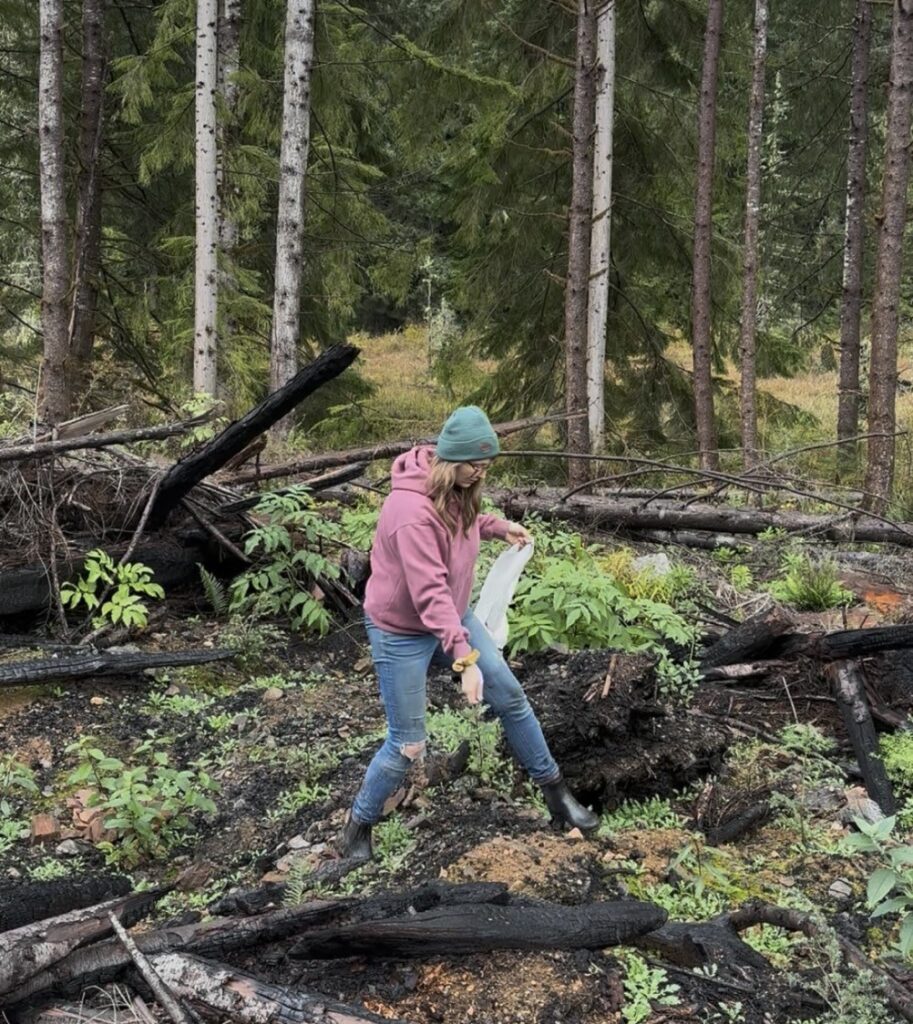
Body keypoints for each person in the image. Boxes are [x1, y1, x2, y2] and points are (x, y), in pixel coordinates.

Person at [337, 406, 598, 861]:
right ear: (448, 459)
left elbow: (465, 523)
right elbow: (429, 592)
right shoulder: (410, 512)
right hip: (401, 631)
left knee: (511, 698)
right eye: (474, 465)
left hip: (452, 617)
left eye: (487, 465)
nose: (481, 473)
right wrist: (464, 660)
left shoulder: (456, 486)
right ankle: (358, 827)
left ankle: (559, 798)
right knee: (408, 744)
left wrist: (498, 526)